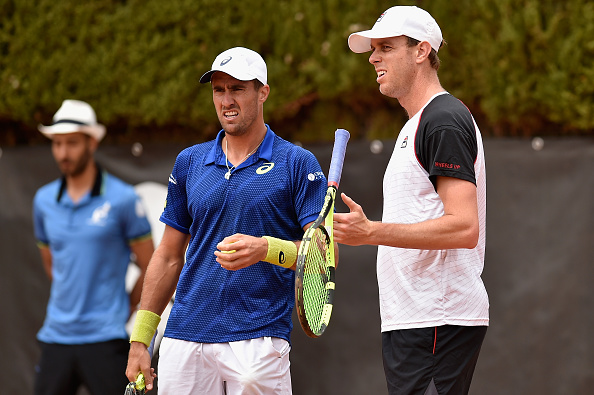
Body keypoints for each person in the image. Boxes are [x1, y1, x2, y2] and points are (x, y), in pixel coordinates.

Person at [125, 47, 328, 394]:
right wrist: (141, 340)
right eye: (219, 90)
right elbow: (169, 255)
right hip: (184, 334)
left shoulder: (298, 162)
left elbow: (322, 256)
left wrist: (266, 248)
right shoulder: (189, 162)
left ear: (263, 92)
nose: (226, 100)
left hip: (259, 335)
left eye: (237, 89)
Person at [334, 6, 488, 395]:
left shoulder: (444, 119)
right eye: (373, 49)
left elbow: (465, 226)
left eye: (385, 47)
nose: (373, 57)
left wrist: (371, 232)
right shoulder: (419, 122)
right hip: (414, 320)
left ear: (421, 51)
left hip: (436, 320)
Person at [32, 99, 154, 395]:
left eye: (72, 143)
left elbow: (151, 265)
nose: (63, 153)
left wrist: (126, 303)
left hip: (106, 338)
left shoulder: (123, 199)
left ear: (92, 143)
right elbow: (54, 267)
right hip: (56, 338)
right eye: (57, 144)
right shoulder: (43, 201)